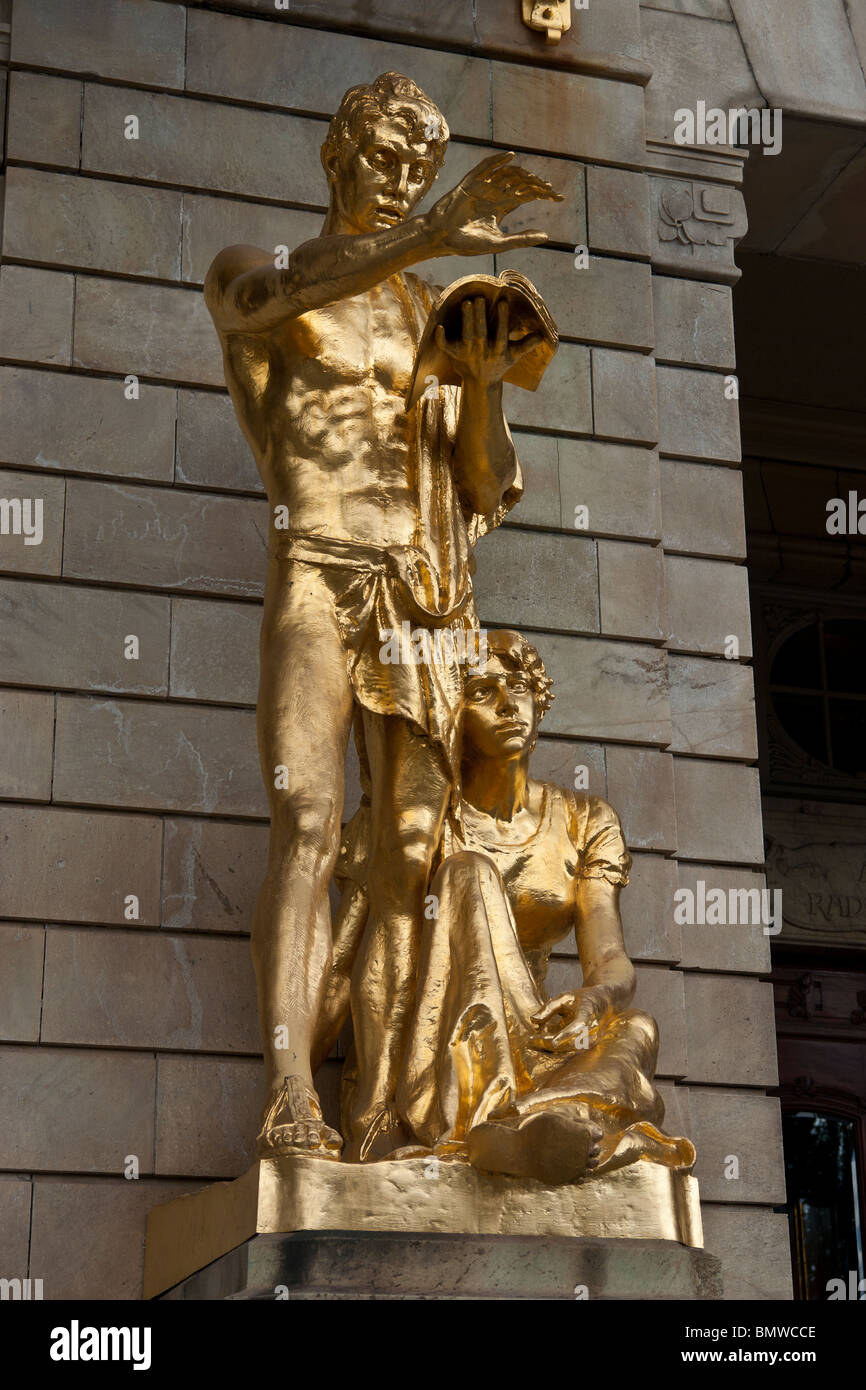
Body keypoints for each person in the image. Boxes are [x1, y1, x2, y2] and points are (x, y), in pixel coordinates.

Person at [204, 72, 561, 1160]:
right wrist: (440, 233)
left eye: (418, 169)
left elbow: (484, 488)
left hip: (417, 592)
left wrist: (486, 377)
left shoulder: (426, 315)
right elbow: (264, 304)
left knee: (410, 847)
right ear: (336, 155)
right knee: (308, 824)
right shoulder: (257, 271)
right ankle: (288, 1095)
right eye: (383, 160)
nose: (401, 183)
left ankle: (386, 1106)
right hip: (315, 570)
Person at [391, 630, 696, 1182]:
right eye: (483, 692)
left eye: (521, 688)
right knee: (470, 871)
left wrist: (593, 1000)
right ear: (453, 714)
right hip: (449, 1045)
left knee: (638, 1025)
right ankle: (496, 1121)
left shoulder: (586, 819)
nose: (510, 706)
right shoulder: (432, 820)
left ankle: (550, 1124)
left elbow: (610, 959)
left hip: (537, 1032)